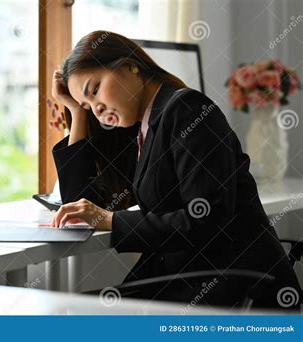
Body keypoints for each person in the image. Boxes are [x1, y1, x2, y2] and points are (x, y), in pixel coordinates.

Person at [50, 30, 300, 309]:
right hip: (192, 279)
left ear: (129, 65)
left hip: (233, 286)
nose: (97, 109)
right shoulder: (141, 130)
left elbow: (205, 218)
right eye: (88, 105)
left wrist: (111, 220)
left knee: (67, 313)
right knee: (67, 311)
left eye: (95, 90)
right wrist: (76, 112)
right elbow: (81, 207)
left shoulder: (186, 109)